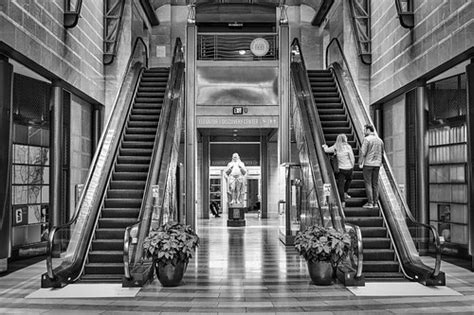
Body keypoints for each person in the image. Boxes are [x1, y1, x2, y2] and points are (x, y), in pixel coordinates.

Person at [322, 134, 355, 206]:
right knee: (349, 179)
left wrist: (325, 146)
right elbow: (352, 157)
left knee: (341, 185)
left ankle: (342, 201)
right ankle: (345, 192)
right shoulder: (348, 147)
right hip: (349, 168)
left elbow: (327, 150)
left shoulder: (336, 146)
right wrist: (352, 166)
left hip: (341, 169)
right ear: (345, 139)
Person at [359, 124, 384, 209]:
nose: (364, 132)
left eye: (365, 130)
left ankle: (370, 203)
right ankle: (375, 203)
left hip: (368, 164)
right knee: (375, 184)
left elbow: (363, 152)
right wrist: (381, 163)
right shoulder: (380, 140)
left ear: (369, 130)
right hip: (377, 165)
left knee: (368, 183)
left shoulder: (367, 139)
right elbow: (382, 153)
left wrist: (360, 162)